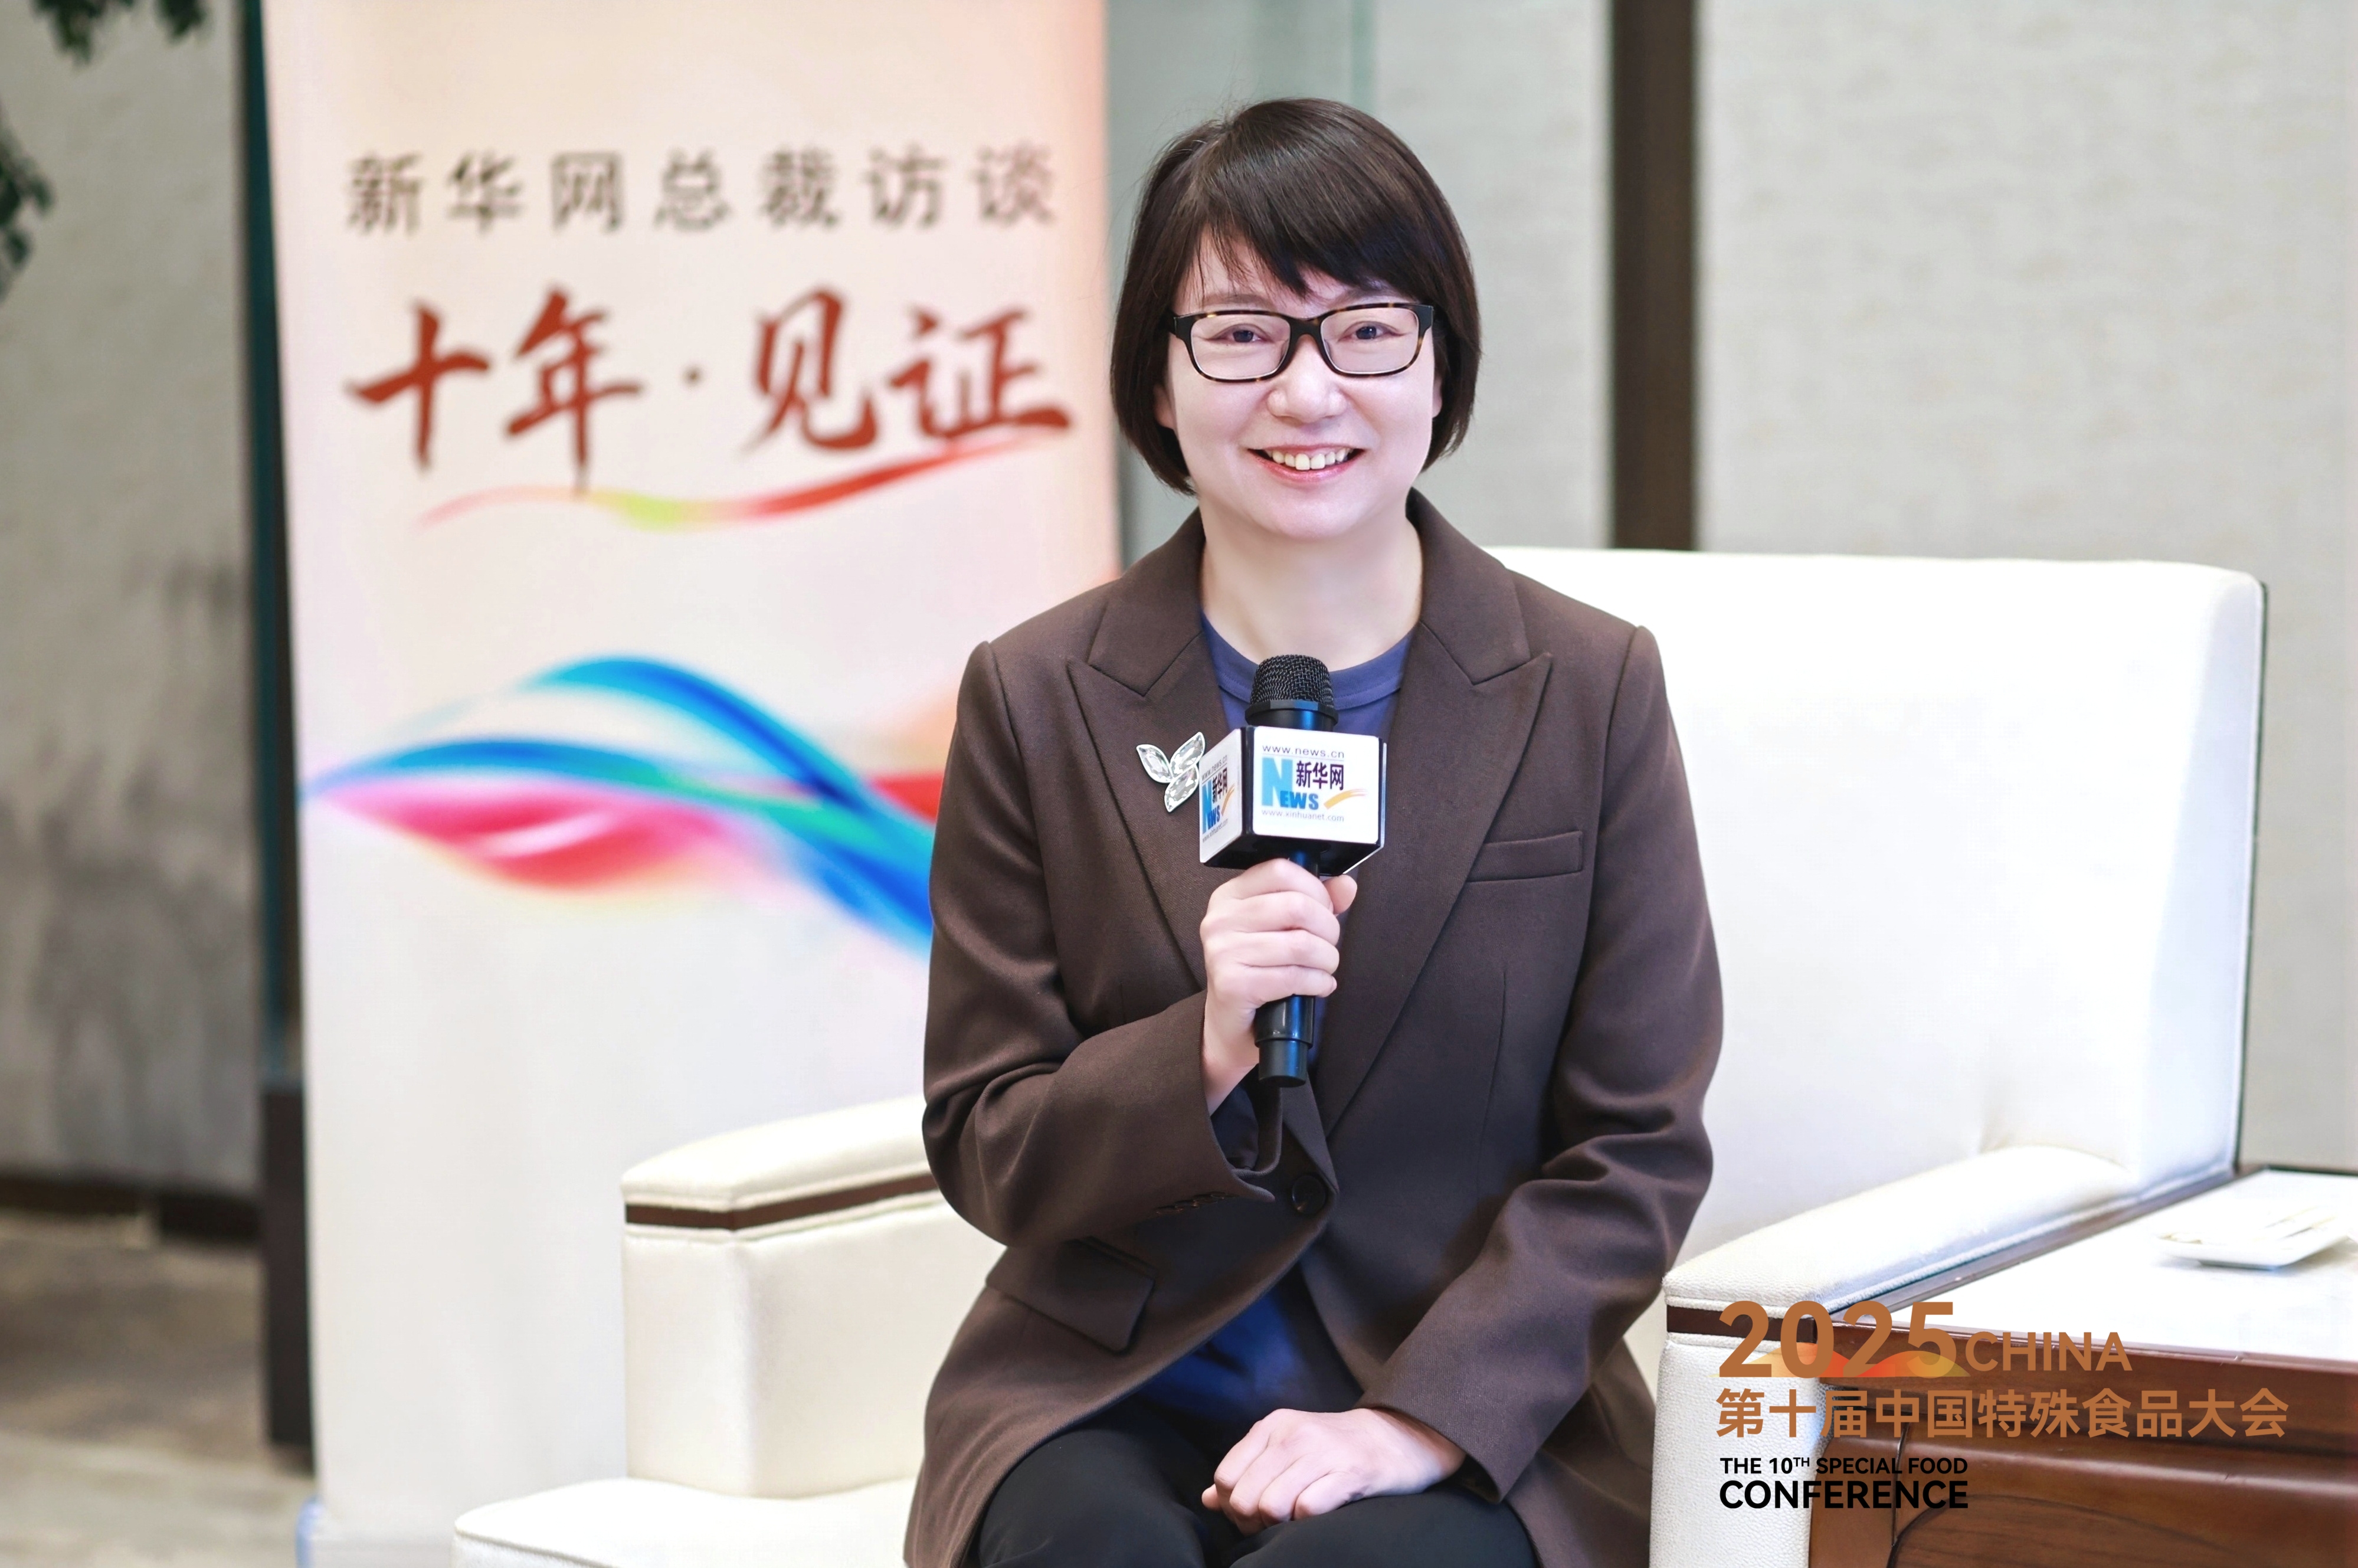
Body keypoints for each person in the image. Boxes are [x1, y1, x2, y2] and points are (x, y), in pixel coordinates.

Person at [908, 99, 1720, 1568]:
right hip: (1112, 1387)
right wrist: (1205, 1046)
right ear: (1160, 382)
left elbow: (1636, 1146)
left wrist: (1416, 1422)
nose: (1306, 390)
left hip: (1458, 1407)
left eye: (1365, 331)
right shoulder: (1036, 695)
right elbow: (985, 1139)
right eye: (1241, 335)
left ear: (1438, 367)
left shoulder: (1588, 688)